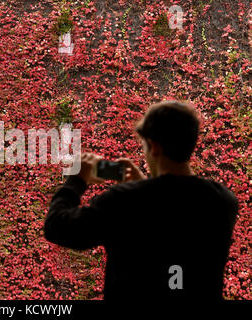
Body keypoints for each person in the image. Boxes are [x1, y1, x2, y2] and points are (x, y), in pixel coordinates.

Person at [44, 101, 238, 299]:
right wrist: (143, 184)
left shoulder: (123, 201)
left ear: (153, 146)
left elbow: (57, 227)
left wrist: (76, 181)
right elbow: (171, 219)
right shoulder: (224, 201)